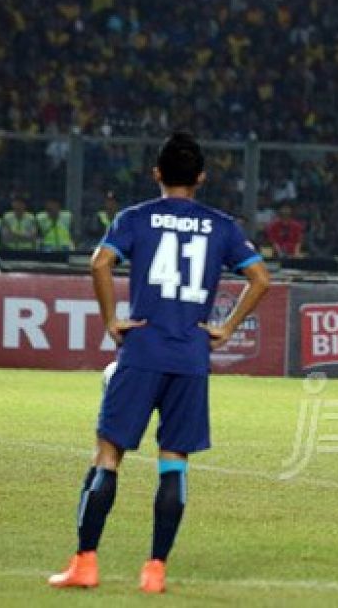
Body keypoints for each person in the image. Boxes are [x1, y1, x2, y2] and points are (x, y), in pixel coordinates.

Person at [48, 133, 270, 592]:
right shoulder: (222, 225)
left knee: (108, 455)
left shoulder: (136, 218)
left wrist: (112, 319)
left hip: (142, 349)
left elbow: (99, 264)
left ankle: (85, 563)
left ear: (156, 174)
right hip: (190, 356)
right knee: (174, 461)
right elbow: (260, 278)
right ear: (201, 178)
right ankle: (155, 571)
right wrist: (225, 328)